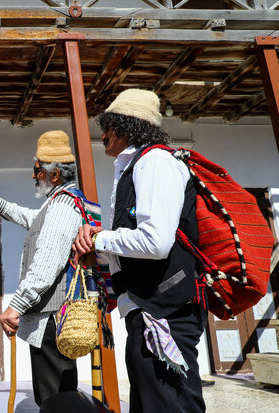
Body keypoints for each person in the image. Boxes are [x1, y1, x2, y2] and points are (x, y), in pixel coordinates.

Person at [73, 89, 207, 413]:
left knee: (169, 406)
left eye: (109, 126)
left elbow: (155, 243)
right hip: (146, 311)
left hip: (165, 312)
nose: (103, 136)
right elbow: (140, 243)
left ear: (126, 126)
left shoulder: (155, 162)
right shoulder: (134, 168)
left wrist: (101, 239)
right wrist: (96, 247)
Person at [0, 130, 84, 407]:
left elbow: (46, 264)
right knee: (61, 396)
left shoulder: (63, 205)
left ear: (54, 174)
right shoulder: (57, 203)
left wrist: (15, 306)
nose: (34, 176)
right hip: (53, 319)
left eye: (37, 170)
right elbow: (32, 218)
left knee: (55, 400)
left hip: (52, 321)